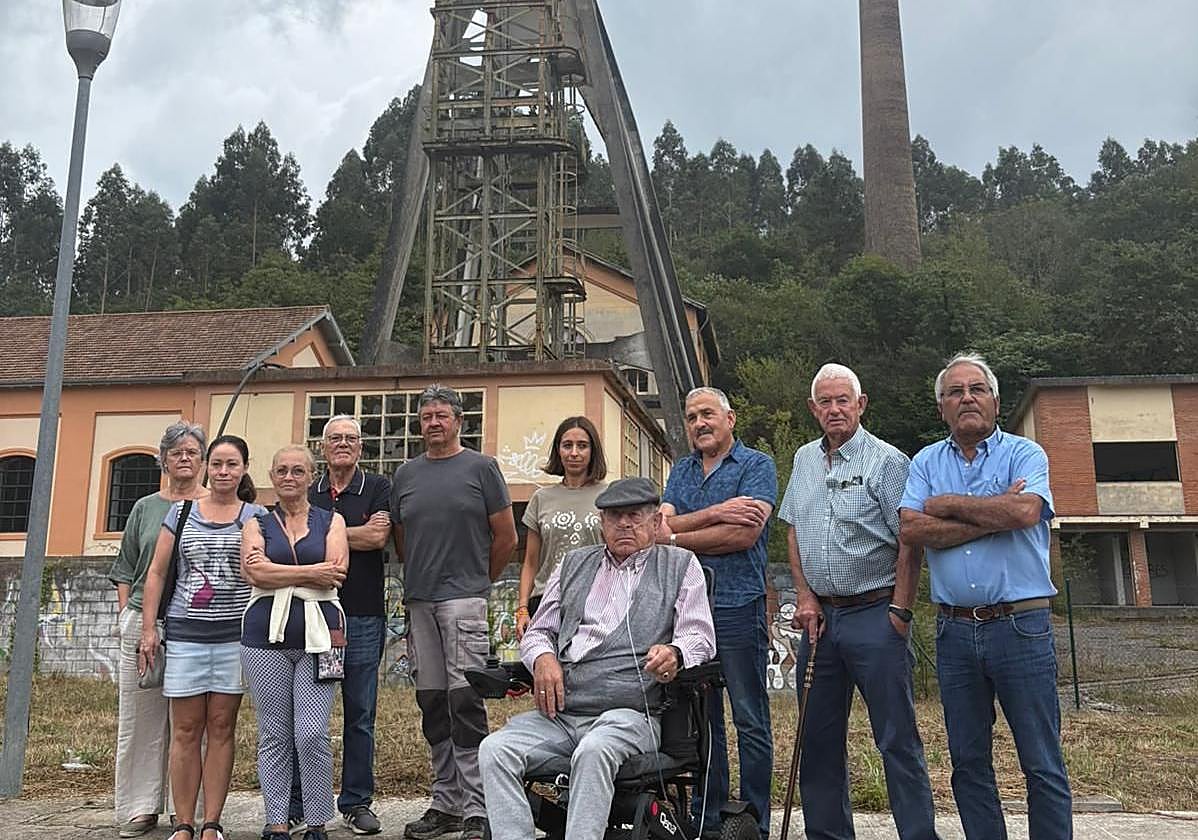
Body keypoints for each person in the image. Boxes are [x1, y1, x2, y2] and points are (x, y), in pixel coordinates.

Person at [479, 477, 717, 840]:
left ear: (655, 523)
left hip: (630, 716)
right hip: (562, 714)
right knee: (494, 749)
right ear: (602, 523)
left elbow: (700, 635)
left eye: (634, 516)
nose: (623, 524)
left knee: (594, 750)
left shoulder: (680, 565)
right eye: (614, 516)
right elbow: (540, 631)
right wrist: (542, 658)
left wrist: (675, 652)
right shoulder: (573, 564)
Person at [900, 352, 1072, 840]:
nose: (966, 398)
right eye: (955, 392)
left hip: (1021, 625)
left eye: (976, 389)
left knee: (1041, 761)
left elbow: (1024, 514)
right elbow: (912, 528)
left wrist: (949, 506)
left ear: (995, 401)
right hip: (954, 630)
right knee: (968, 763)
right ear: (942, 408)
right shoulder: (925, 461)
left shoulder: (1026, 453)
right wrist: (992, 512)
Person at [777, 363, 938, 840]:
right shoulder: (804, 459)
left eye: (843, 400)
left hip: (876, 613)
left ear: (861, 404)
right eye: (824, 402)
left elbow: (910, 539)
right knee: (818, 740)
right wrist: (804, 596)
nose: (834, 409)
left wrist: (900, 612)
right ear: (813, 409)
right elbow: (793, 529)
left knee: (896, 739)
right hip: (820, 621)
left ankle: (917, 834)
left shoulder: (889, 462)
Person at [391, 385, 518, 840]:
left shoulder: (482, 469)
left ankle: (477, 809)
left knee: (465, 701)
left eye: (442, 415)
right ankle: (445, 802)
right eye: (426, 416)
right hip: (420, 599)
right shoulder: (405, 475)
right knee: (432, 701)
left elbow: (506, 537)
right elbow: (403, 540)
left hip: (464, 597)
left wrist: (476, 583)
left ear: (459, 421)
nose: (433, 423)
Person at [657, 386, 776, 838]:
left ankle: (753, 821)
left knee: (749, 715)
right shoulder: (682, 470)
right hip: (688, 611)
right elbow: (657, 524)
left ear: (730, 417)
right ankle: (708, 820)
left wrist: (676, 533)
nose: (699, 423)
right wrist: (719, 512)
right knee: (704, 724)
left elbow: (742, 537)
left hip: (738, 605)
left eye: (707, 413)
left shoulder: (756, 466)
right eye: (691, 417)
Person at [139, 434, 264, 840]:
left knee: (222, 727)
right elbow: (157, 573)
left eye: (232, 464)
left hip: (235, 637)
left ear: (244, 468)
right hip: (186, 634)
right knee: (186, 730)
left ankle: (212, 822)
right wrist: (149, 628)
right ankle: (184, 822)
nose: (224, 471)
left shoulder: (255, 516)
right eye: (217, 464)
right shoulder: (181, 512)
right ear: (207, 468)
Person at [277, 416, 391, 837]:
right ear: (322, 448)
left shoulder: (378, 487)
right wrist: (348, 535)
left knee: (360, 713)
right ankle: (297, 801)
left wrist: (326, 534)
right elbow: (291, 538)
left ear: (360, 448)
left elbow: (379, 539)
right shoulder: (308, 486)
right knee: (305, 716)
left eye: (350, 439)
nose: (342, 444)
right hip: (310, 613)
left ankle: (356, 802)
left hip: (361, 616)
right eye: (334, 439)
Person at [241, 445, 349, 840]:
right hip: (263, 635)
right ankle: (277, 821)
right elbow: (253, 574)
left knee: (311, 732)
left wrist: (277, 571)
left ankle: (318, 820)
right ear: (272, 474)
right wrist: (309, 571)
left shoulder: (331, 520)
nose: (289, 477)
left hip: (322, 633)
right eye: (282, 470)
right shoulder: (257, 522)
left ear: (311, 475)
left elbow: (336, 573)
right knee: (274, 733)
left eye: (298, 470)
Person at [109, 422, 209, 838]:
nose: (184, 458)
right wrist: (129, 621)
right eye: (176, 452)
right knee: (140, 718)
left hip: (199, 626)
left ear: (203, 461)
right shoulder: (145, 507)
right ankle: (141, 806)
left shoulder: (216, 505)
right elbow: (125, 568)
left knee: (193, 723)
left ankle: (189, 811)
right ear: (163, 460)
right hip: (144, 622)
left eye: (191, 452)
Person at [515, 415, 607, 640]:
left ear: (593, 451)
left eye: (582, 446)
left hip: (595, 602)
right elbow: (530, 562)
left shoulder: (608, 497)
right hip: (546, 601)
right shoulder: (541, 499)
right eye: (567, 445)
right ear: (558, 450)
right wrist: (522, 609)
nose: (574, 453)